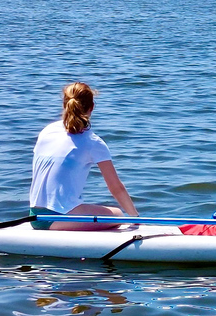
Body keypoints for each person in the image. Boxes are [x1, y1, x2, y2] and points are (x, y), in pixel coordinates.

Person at [29, 82, 138, 230]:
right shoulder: (93, 142)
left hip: (34, 215)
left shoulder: (46, 131)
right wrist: (136, 219)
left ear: (64, 104)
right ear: (91, 107)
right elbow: (115, 187)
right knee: (118, 214)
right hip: (58, 218)